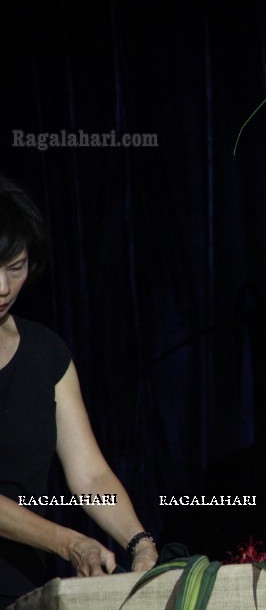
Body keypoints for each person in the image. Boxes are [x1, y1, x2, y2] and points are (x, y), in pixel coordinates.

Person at [0, 175, 157, 605]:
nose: (3, 288)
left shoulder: (47, 353)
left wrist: (139, 543)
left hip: (18, 586)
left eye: (16, 268)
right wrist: (70, 543)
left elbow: (90, 475)